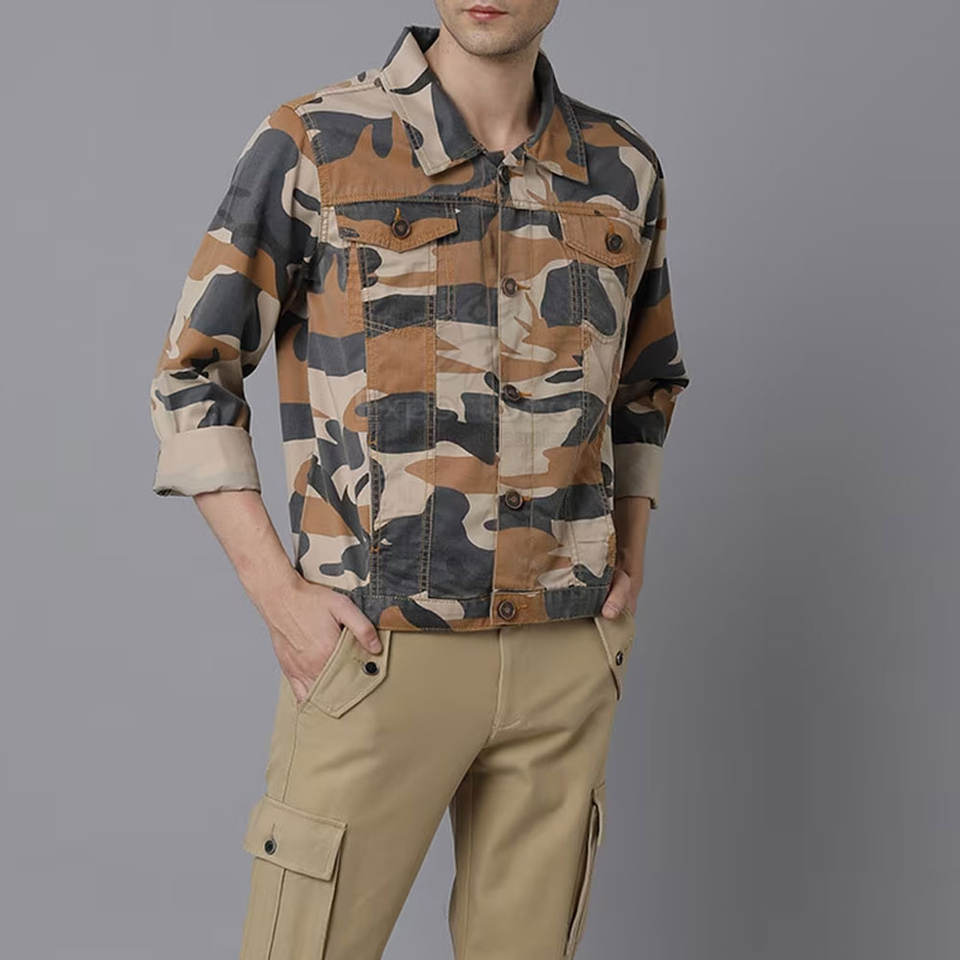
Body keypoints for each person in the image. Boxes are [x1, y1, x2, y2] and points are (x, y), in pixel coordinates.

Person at [148, 4, 690, 958]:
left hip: (564, 653)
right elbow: (194, 372)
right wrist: (279, 596)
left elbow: (645, 386)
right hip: (377, 654)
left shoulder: (622, 169)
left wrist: (627, 566)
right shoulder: (317, 142)